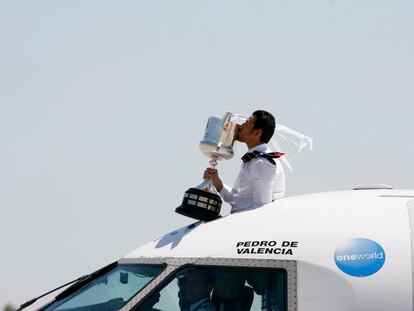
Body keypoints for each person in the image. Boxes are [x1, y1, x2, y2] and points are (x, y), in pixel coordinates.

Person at [203, 110, 285, 213]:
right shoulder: (254, 159)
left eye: (246, 123)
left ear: (257, 133)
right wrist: (217, 183)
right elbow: (236, 199)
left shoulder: (262, 163)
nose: (240, 126)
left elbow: (262, 208)